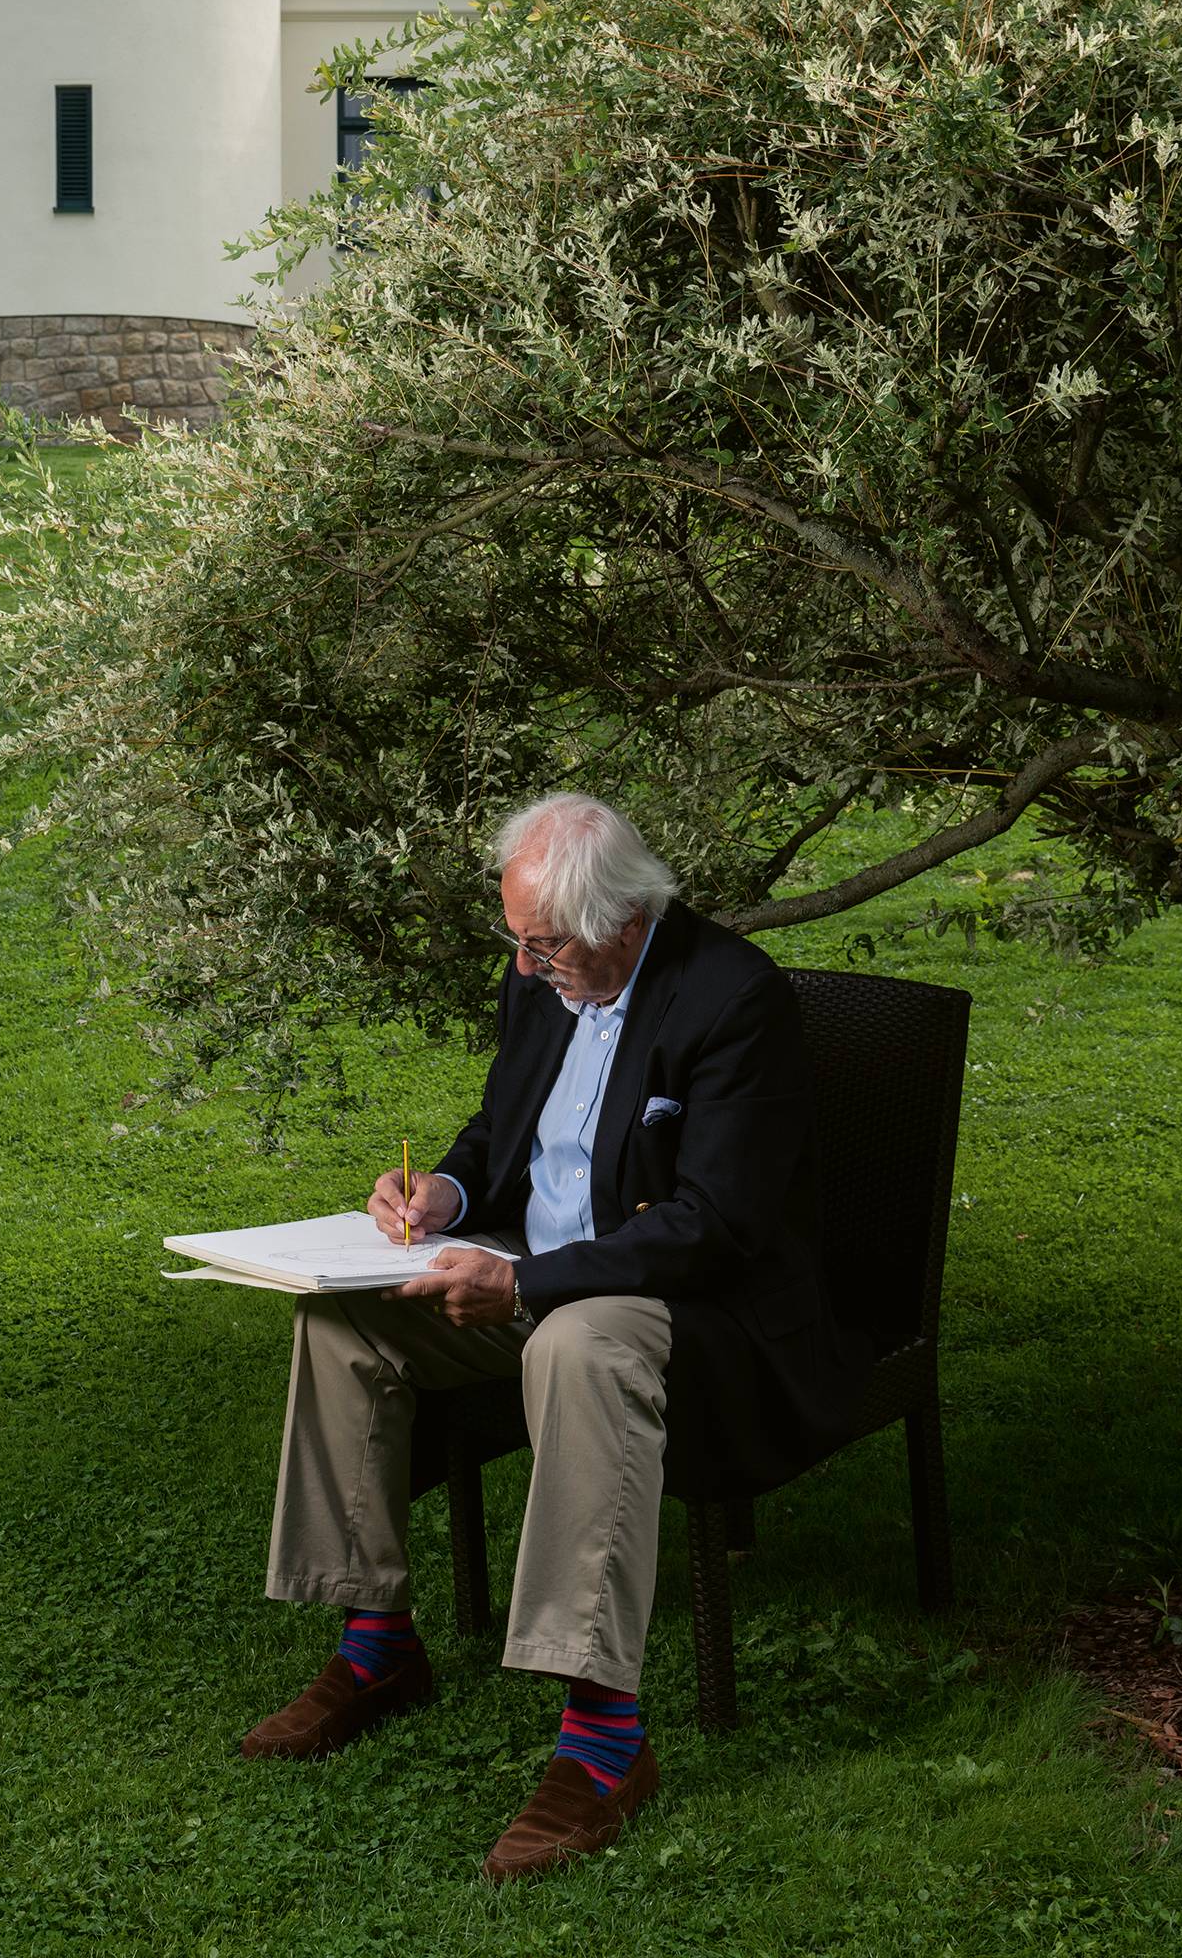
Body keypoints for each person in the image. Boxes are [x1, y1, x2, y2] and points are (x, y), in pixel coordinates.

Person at [239, 790, 869, 1881]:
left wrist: (527, 1278)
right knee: (341, 1319)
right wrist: (440, 1190)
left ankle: (601, 1736)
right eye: (514, 940)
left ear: (623, 917)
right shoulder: (542, 980)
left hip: (693, 1305)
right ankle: (374, 1643)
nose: (525, 966)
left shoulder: (730, 999)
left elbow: (713, 1224)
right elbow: (503, 1131)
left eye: (543, 943)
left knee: (574, 1346)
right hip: (531, 1273)